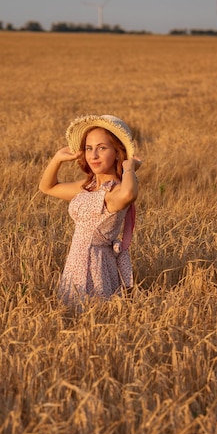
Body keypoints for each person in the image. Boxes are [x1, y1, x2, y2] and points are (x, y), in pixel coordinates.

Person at [39, 114, 142, 306]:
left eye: (101, 148)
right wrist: (57, 159)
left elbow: (129, 194)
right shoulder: (88, 187)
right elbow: (47, 187)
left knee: (93, 317)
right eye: (89, 148)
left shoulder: (114, 191)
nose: (93, 155)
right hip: (75, 262)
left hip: (97, 267)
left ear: (117, 152)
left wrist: (130, 168)